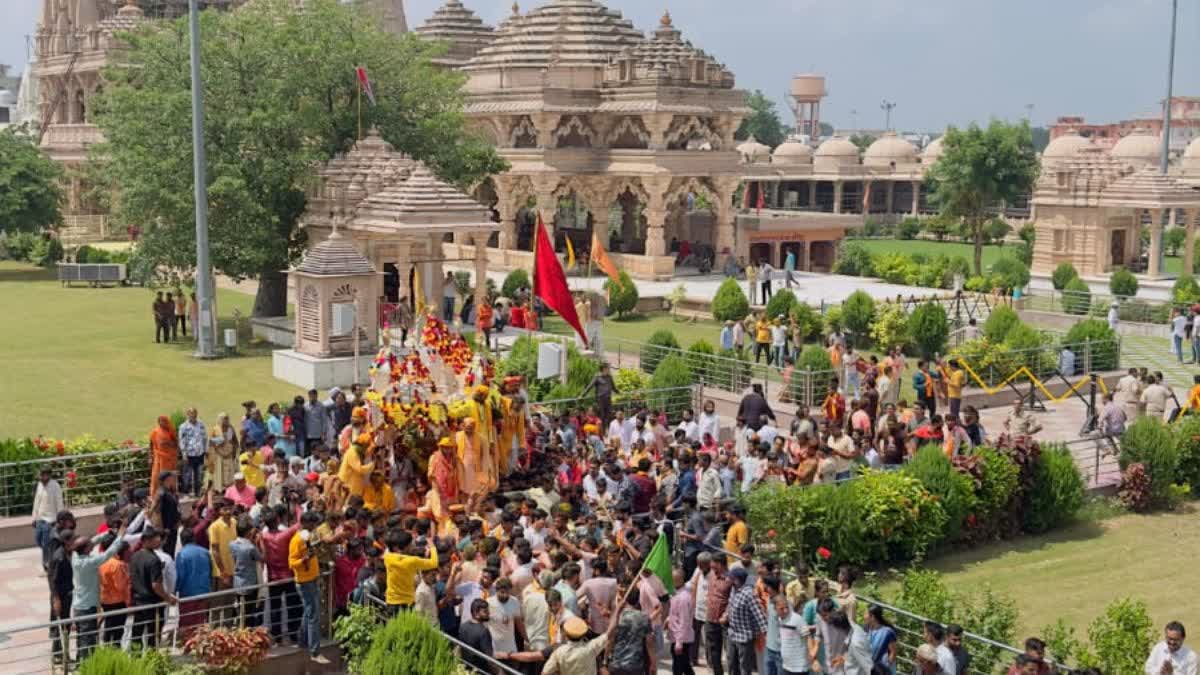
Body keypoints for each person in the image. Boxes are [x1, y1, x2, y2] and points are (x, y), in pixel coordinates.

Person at [70, 521, 126, 660]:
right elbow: (109, 553)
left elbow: (92, 541)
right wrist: (119, 537)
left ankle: (80, 661)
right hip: (87, 608)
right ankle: (86, 664)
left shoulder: (75, 556)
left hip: (79, 606)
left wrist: (107, 533)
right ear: (86, 549)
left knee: (82, 638)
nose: (92, 545)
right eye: (90, 546)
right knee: (88, 640)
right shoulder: (88, 563)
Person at [289, 511, 328, 664]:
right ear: (305, 523)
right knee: (314, 615)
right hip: (304, 582)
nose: (315, 526)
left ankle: (303, 641)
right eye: (312, 524)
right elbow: (292, 563)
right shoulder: (296, 540)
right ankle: (315, 651)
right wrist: (304, 559)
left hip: (312, 579)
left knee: (309, 612)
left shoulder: (309, 536)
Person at [129, 527, 177, 649]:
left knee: (137, 633)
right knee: (154, 634)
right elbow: (156, 585)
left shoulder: (134, 556)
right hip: (153, 604)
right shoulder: (153, 560)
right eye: (155, 538)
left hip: (138, 602)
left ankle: (136, 658)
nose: (158, 540)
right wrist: (168, 598)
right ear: (146, 540)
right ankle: (152, 660)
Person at [383, 529, 438, 612]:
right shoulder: (411, 561)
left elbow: (393, 551)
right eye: (410, 545)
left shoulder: (387, 557)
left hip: (391, 602)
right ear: (399, 547)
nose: (412, 546)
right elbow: (434, 563)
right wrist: (432, 547)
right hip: (406, 603)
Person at [726, 566, 767, 675]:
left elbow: (760, 617)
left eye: (730, 577)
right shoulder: (733, 590)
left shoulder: (749, 594)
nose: (727, 579)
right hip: (732, 634)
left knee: (744, 667)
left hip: (744, 638)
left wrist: (766, 636)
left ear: (736, 580)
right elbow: (730, 605)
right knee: (731, 664)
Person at [174, 526, 212, 638]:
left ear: (181, 540)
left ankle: (188, 645)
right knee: (201, 621)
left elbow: (180, 576)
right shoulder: (205, 552)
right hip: (204, 591)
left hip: (188, 593)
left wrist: (174, 590)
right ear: (194, 538)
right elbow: (210, 571)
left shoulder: (181, 555)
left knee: (187, 622)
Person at [33, 466, 65, 571]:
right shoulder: (39, 485)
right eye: (40, 475)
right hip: (39, 519)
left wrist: (60, 520)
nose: (40, 477)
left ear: (48, 475)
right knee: (38, 541)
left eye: (42, 475)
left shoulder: (55, 486)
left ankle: (47, 563)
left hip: (50, 520)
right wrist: (34, 517)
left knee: (46, 543)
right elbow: (36, 502)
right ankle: (50, 556)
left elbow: (59, 503)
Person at [668, 568, 696, 675]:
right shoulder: (677, 593)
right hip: (677, 636)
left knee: (678, 668)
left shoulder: (683, 598)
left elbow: (684, 621)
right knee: (685, 666)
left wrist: (679, 642)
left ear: (677, 580)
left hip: (681, 639)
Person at [459, 599, 495, 673]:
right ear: (476, 613)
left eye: (488, 611)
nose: (488, 613)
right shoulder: (483, 631)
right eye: (485, 612)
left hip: (467, 669)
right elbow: (490, 658)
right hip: (481, 670)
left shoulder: (463, 626)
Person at [178, 408, 208, 498]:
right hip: (189, 454)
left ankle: (197, 492)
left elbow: (204, 437)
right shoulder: (183, 426)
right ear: (188, 415)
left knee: (199, 475)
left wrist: (205, 450)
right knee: (187, 475)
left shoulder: (201, 424)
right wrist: (184, 453)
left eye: (194, 414)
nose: (193, 416)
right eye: (191, 414)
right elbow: (181, 440)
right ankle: (186, 493)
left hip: (199, 453)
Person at [149, 415, 179, 497]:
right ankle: (155, 494)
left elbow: (176, 444)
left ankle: (170, 494)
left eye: (164, 421)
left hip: (169, 460)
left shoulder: (170, 431)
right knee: (156, 477)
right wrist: (150, 457)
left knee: (169, 477)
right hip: (158, 459)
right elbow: (151, 445)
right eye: (161, 421)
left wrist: (168, 443)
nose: (163, 423)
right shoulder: (155, 432)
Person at [865, 604, 898, 675]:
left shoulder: (887, 632)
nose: (864, 616)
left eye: (866, 614)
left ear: (872, 617)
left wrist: (885, 668)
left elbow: (893, 652)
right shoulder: (866, 629)